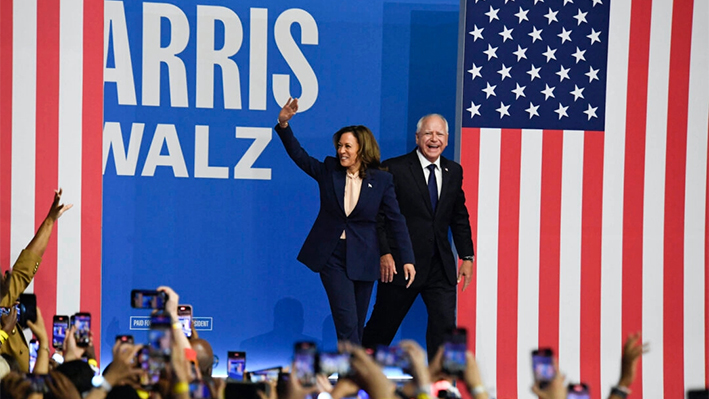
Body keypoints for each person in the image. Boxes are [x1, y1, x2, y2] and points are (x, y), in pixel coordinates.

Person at [275, 98, 416, 344]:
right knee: (347, 322)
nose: (341, 151)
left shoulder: (382, 181)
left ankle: (349, 376)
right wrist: (284, 126)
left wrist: (407, 259)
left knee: (357, 326)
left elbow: (396, 220)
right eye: (339, 145)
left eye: (347, 146)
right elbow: (300, 157)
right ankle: (350, 380)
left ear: (362, 149)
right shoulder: (329, 171)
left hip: (364, 257)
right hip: (333, 256)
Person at [362, 114, 475, 360]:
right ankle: (359, 375)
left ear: (446, 140)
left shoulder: (453, 171)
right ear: (417, 138)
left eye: (439, 135)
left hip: (440, 267)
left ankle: (440, 383)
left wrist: (467, 256)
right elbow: (379, 217)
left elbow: (459, 216)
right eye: (428, 134)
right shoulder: (394, 168)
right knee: (382, 327)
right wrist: (385, 253)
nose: (433, 139)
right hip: (403, 265)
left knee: (444, 329)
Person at [0, 189, 72, 372]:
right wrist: (3, 333)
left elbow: (29, 261)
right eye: (3, 276)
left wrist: (50, 220)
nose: (6, 275)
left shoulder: (6, 299)